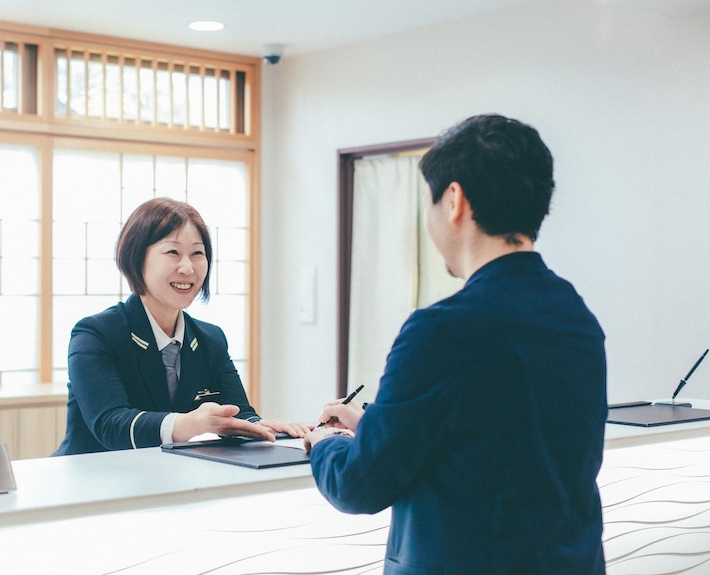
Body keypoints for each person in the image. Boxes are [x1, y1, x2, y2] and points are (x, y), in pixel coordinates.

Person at [304, 114, 607, 574]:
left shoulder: (442, 331)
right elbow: (498, 438)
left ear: (453, 201)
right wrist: (375, 423)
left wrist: (325, 440)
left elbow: (358, 484)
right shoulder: (577, 318)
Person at [54, 198, 310, 455]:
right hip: (90, 482)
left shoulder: (211, 339)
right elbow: (111, 425)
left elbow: (236, 411)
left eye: (197, 253)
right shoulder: (95, 334)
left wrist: (261, 427)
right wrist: (191, 423)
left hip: (168, 480)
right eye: (172, 252)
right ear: (136, 258)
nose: (187, 268)